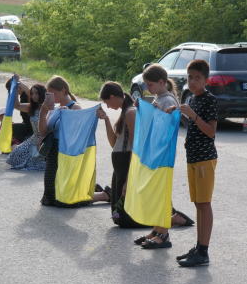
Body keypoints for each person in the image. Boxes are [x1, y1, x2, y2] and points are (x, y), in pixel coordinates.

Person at [134, 64, 195, 250]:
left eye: (150, 84)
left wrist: (155, 111)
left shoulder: (168, 100)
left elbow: (167, 128)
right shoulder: (160, 97)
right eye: (145, 85)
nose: (147, 88)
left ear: (161, 82)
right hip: (156, 153)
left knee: (161, 193)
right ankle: (156, 230)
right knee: (158, 192)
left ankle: (164, 234)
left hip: (162, 155)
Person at [165, 59, 218, 267]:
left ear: (206, 79)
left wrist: (193, 116)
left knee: (204, 204)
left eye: (198, 78)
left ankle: (203, 251)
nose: (193, 81)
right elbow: (195, 125)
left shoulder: (209, 100)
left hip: (205, 158)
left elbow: (211, 132)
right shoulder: (193, 98)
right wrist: (180, 114)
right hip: (193, 157)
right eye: (190, 78)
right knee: (197, 203)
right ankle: (198, 247)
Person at [38, 75, 110, 207]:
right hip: (53, 152)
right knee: (50, 196)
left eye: (53, 93)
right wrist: (43, 112)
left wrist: (69, 118)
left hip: (67, 153)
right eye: (49, 94)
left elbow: (79, 135)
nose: (51, 97)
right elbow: (43, 132)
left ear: (63, 91)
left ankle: (103, 195)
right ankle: (95, 191)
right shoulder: (54, 109)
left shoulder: (75, 107)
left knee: (65, 199)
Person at [96, 81, 138, 227]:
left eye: (107, 102)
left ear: (113, 97)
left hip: (126, 162)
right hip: (119, 164)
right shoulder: (124, 112)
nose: (107, 106)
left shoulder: (130, 112)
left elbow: (135, 146)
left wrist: (128, 178)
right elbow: (114, 143)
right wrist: (106, 119)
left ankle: (160, 223)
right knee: (116, 214)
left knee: (124, 217)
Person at [6, 80, 47, 171]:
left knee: (35, 162)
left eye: (37, 93)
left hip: (46, 140)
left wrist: (19, 82)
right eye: (32, 93)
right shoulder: (32, 107)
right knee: (16, 155)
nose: (34, 96)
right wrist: (16, 92)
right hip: (33, 138)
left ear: (42, 94)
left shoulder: (50, 107)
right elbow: (17, 106)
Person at [5, 77, 32, 144]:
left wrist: (17, 82)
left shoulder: (27, 96)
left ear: (18, 87)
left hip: (33, 128)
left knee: (13, 128)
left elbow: (29, 92)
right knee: (12, 127)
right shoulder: (22, 96)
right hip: (28, 125)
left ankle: (24, 144)